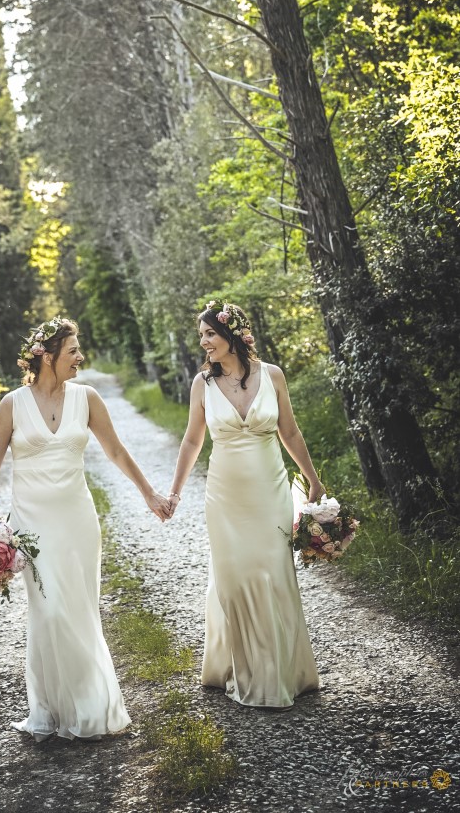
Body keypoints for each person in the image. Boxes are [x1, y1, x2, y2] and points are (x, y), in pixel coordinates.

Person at [0, 316, 171, 741]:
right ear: (46, 356)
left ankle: (89, 706)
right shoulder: (12, 404)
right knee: (49, 612)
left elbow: (116, 451)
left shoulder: (87, 398)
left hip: (77, 521)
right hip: (31, 528)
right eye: (72, 352)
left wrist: (150, 494)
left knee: (78, 611)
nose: (80, 358)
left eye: (79, 350)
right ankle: (52, 708)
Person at [166, 300, 324, 710]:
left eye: (209, 335)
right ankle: (244, 670)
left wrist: (313, 478)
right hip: (225, 496)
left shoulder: (272, 375)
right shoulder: (202, 383)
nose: (203, 343)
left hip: (270, 492)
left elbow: (289, 430)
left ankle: (284, 672)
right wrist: (175, 491)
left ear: (232, 336)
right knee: (234, 579)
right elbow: (191, 440)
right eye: (201, 336)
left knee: (273, 575)